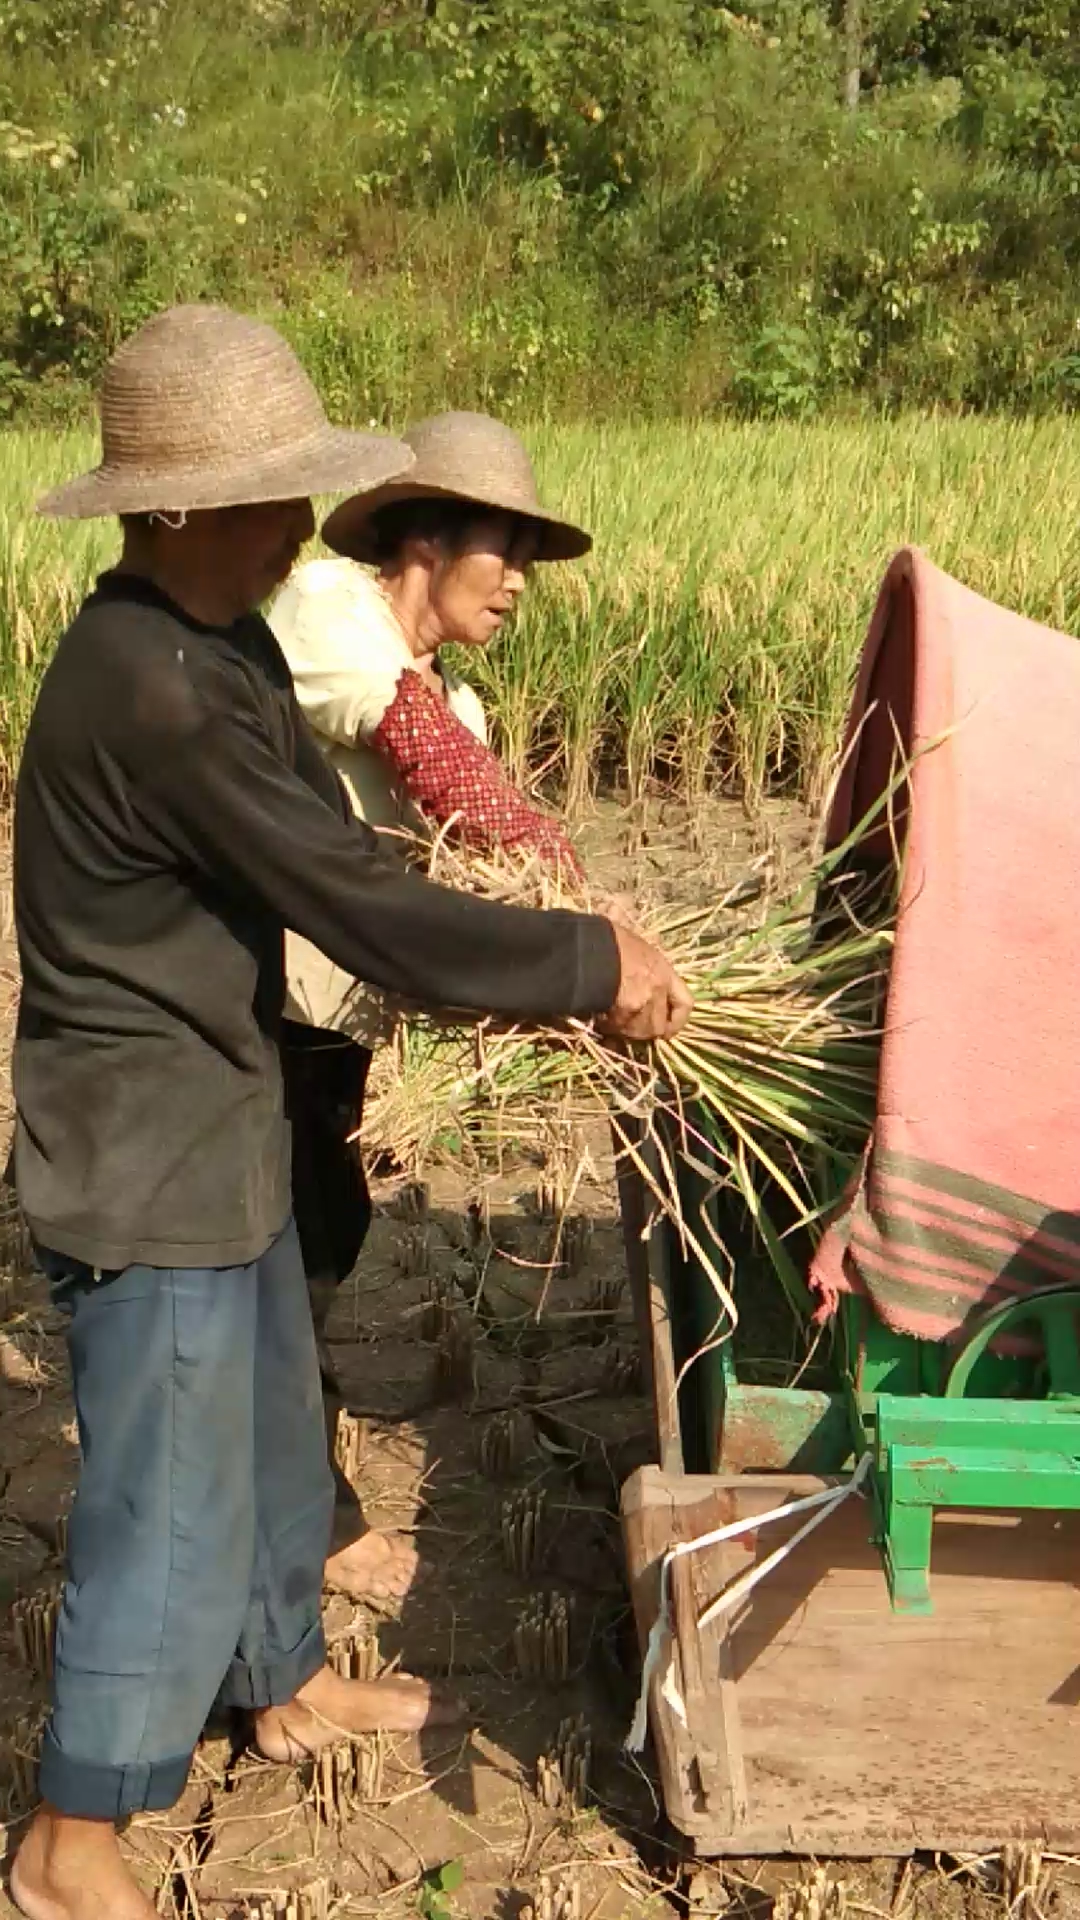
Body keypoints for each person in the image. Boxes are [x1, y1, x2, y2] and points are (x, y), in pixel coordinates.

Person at [8, 303, 689, 1920]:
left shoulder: (224, 647)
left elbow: (350, 852)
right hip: (147, 1147)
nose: (301, 523)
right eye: (270, 494)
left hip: (231, 1107)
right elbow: (357, 906)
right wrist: (586, 962)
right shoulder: (150, 688)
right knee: (164, 1498)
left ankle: (283, 1684)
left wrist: (513, 912)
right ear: (176, 509)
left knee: (260, 1433)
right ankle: (65, 1846)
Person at [268, 410, 598, 1610]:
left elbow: (453, 876)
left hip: (335, 1024)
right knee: (283, 1264)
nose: (516, 583)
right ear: (423, 542)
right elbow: (421, 756)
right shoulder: (328, 614)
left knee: (326, 1238)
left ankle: (297, 1493)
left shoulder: (459, 706)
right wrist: (564, 884)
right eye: (501, 550)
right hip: (253, 1006)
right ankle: (314, 1521)